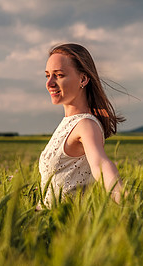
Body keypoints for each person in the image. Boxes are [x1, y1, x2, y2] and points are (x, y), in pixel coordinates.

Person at [39, 43, 125, 208]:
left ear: (83, 79)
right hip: (50, 224)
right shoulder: (69, 123)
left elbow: (101, 165)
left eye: (59, 75)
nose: (49, 82)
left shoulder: (85, 124)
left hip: (70, 226)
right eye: (47, 75)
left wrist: (131, 204)